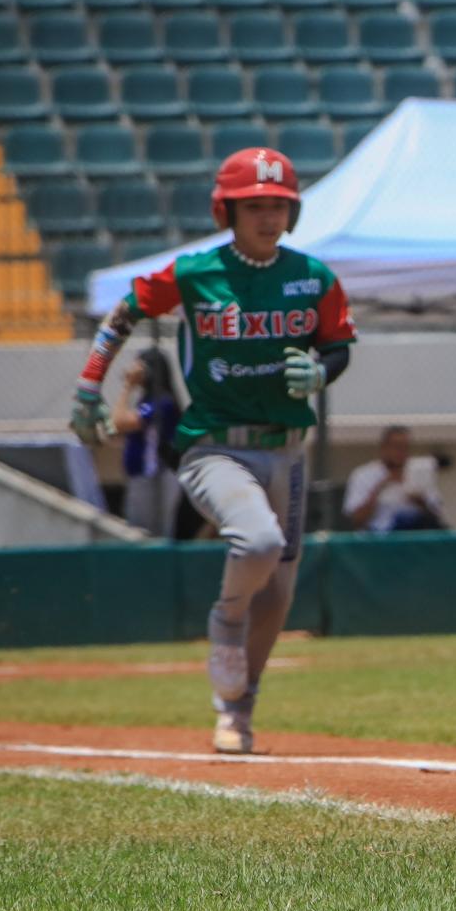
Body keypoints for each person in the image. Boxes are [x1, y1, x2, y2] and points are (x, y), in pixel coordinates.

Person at [70, 147, 356, 757]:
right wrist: (90, 383)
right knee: (256, 542)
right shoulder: (197, 272)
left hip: (288, 451)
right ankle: (225, 623)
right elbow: (123, 313)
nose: (268, 217)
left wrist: (321, 372)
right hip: (215, 448)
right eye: (255, 205)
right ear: (226, 209)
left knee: (278, 597)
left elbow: (338, 346)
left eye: (279, 205)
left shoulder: (314, 277)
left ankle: (237, 711)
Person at [111, 348, 183, 538]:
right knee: (139, 531)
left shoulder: (163, 402)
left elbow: (119, 423)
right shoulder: (147, 400)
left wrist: (128, 385)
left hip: (156, 476)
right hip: (143, 476)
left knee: (150, 533)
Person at [343, 426, 447, 533]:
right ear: (384, 447)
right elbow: (356, 519)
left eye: (405, 447)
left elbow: (437, 515)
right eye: (397, 447)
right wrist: (379, 489)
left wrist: (420, 502)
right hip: (379, 535)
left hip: (414, 533)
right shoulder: (364, 475)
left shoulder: (418, 472)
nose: (401, 452)